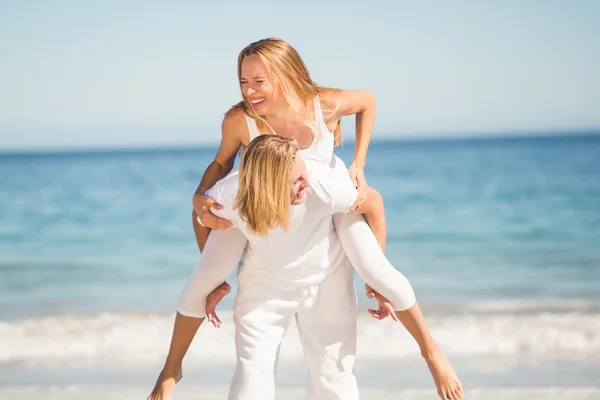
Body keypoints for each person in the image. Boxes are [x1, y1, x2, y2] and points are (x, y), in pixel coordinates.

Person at [148, 135, 463, 400]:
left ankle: (431, 351)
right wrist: (216, 278)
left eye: (304, 173)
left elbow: (374, 203)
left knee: (334, 380)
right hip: (265, 287)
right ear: (268, 184)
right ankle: (171, 369)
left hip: (326, 279)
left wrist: (373, 279)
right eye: (296, 179)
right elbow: (200, 214)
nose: (305, 182)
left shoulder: (323, 186)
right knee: (250, 380)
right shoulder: (232, 194)